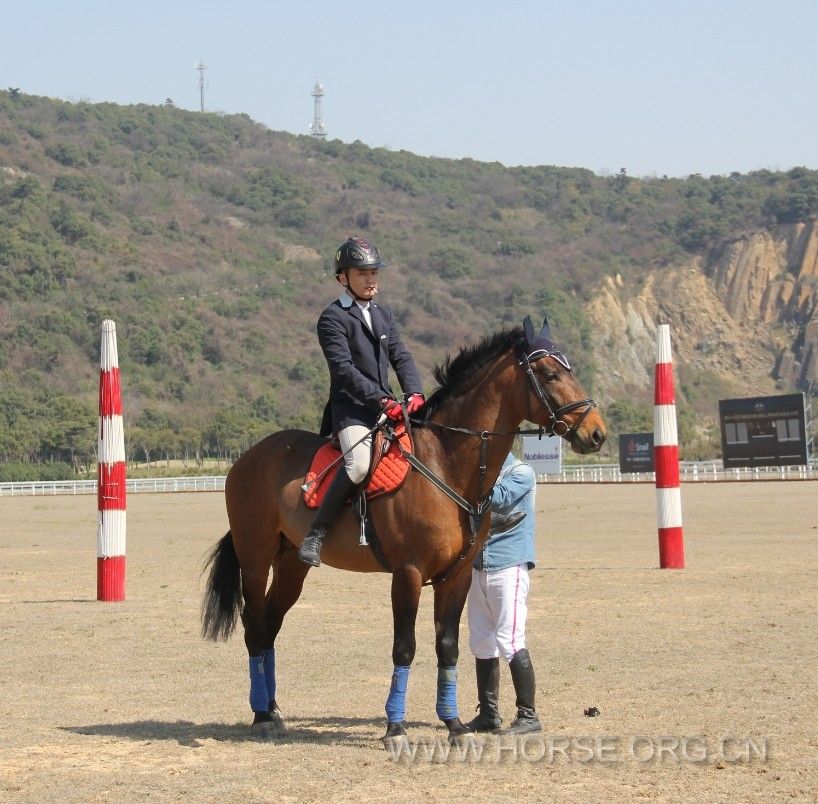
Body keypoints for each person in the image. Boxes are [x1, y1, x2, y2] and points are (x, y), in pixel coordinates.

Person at [298, 236, 425, 567]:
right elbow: (343, 371)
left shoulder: (384, 314)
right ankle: (316, 533)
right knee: (358, 465)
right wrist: (383, 401)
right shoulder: (332, 318)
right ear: (343, 278)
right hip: (353, 411)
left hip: (387, 409)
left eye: (374, 273)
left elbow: (401, 356)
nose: (371, 280)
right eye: (362, 274)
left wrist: (414, 392)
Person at [465, 451, 543, 735]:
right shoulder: (482, 474)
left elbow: (497, 499)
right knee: (481, 640)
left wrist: (465, 480)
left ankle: (528, 716)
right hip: (478, 566)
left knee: (510, 639)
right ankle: (488, 714)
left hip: (509, 565)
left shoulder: (521, 473)